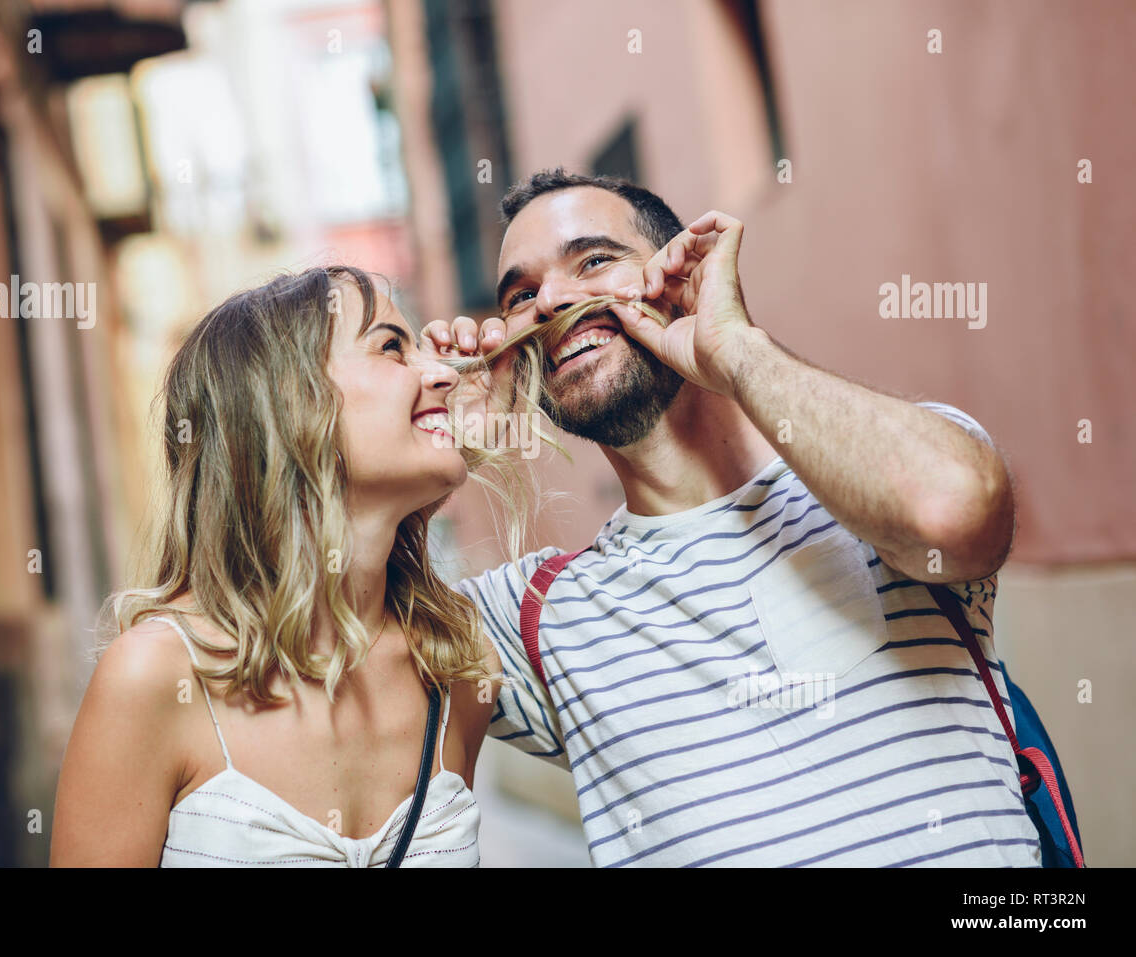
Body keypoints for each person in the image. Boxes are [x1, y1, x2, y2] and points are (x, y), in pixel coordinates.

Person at [425, 169, 1042, 867]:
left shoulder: (871, 489)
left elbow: (956, 510)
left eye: (593, 261)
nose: (552, 300)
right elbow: (312, 636)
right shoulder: (535, 615)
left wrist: (734, 347)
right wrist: (442, 452)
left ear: (679, 274)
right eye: (520, 296)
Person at [50, 266, 503, 867]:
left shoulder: (453, 666)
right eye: (393, 346)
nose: (444, 373)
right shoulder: (155, 677)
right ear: (289, 402)